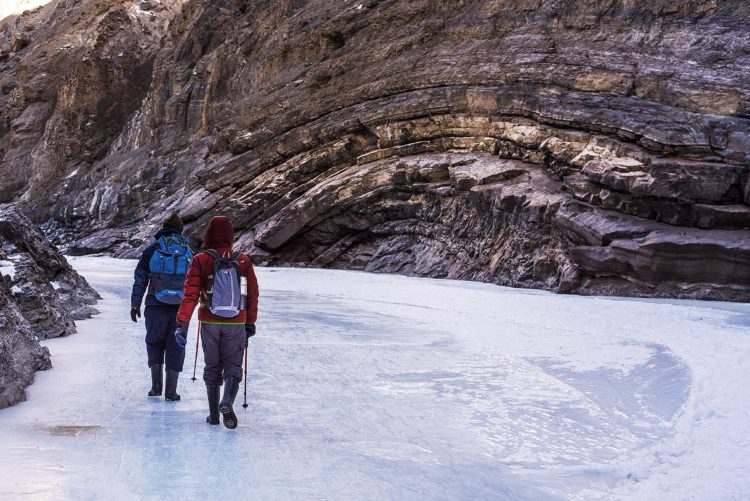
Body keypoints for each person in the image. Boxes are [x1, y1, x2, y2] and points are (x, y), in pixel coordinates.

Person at [175, 216, 259, 429]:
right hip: (236, 322)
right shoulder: (243, 260)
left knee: (212, 366)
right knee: (233, 366)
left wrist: (182, 324)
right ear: (230, 235)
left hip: (209, 322)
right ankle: (227, 402)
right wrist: (250, 323)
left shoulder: (201, 259)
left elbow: (190, 294)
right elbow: (252, 294)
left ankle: (214, 415)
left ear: (209, 235)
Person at [130, 213, 193, 401]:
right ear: (180, 230)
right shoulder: (188, 250)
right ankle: (171, 392)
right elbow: (195, 282)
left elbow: (140, 277)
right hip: (180, 308)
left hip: (154, 304)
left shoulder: (153, 249)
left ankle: (156, 387)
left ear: (163, 228)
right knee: (176, 345)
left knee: (154, 341)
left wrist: (135, 303)